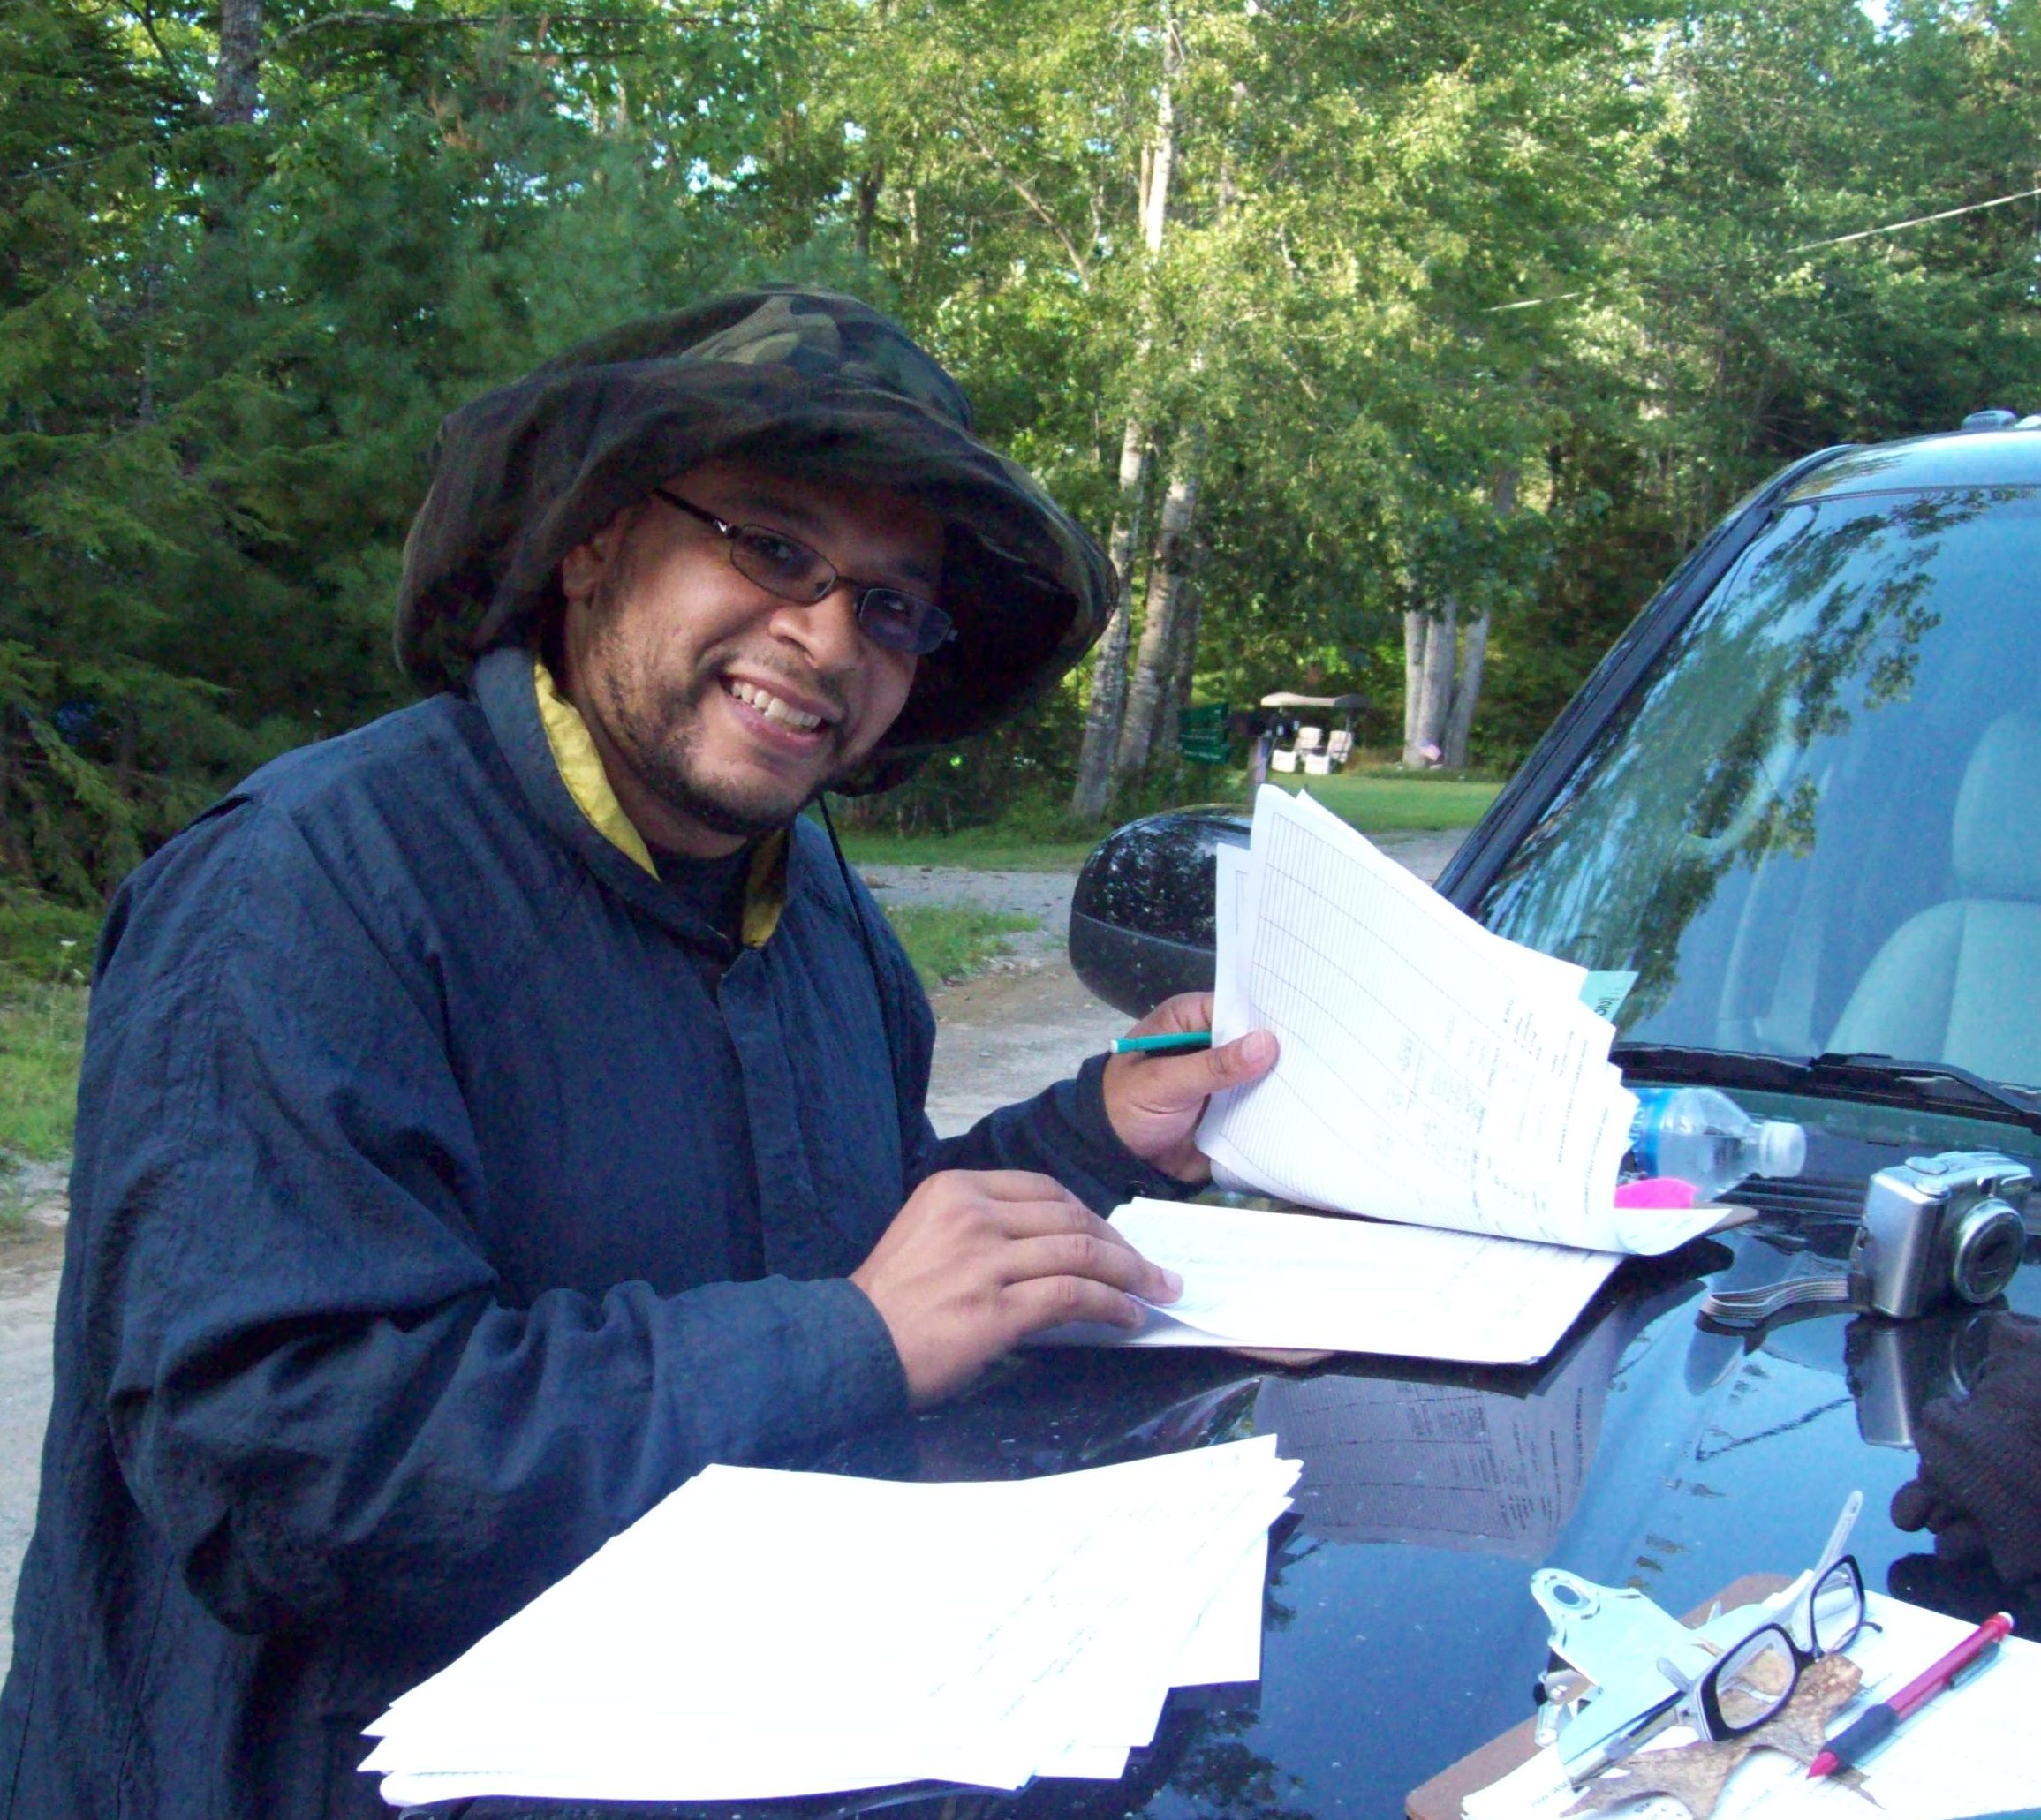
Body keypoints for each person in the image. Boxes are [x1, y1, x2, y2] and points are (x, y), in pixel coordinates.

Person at [0, 290, 1276, 1819]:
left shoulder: (817, 919)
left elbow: (843, 1245)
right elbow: (283, 1464)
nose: (824, 635)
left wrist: (1092, 1134)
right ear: (592, 540)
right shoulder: (305, 889)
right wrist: (844, 1345)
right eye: (772, 546)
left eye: (888, 606)